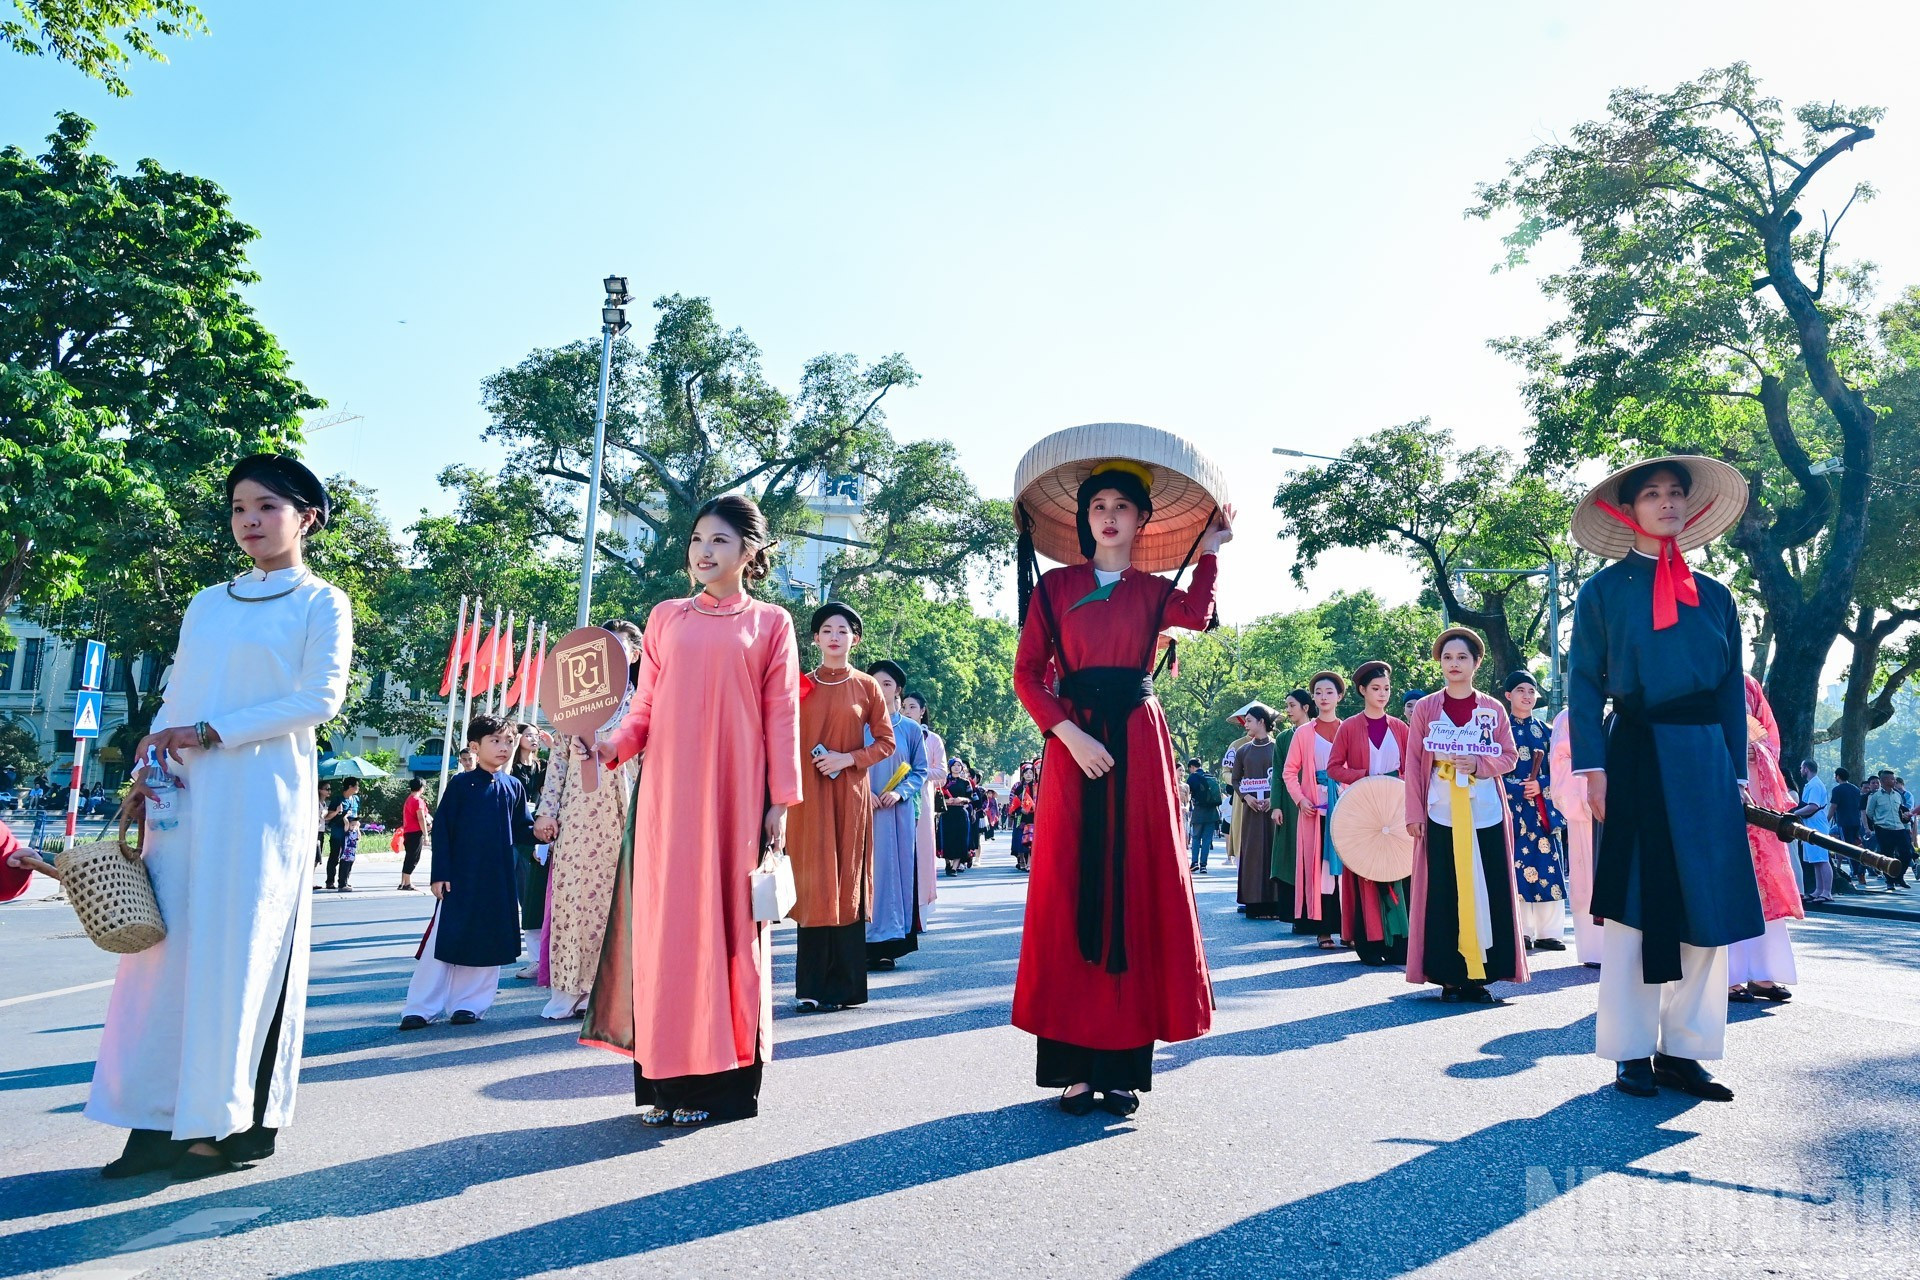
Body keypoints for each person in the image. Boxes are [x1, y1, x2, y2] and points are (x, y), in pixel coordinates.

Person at [92, 453, 351, 1180]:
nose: (250, 521)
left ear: (306, 518)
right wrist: (146, 777)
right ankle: (152, 1120)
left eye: (267, 507)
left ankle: (222, 1123)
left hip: (262, 800)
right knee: (163, 957)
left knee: (238, 958)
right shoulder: (206, 603)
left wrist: (213, 732)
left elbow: (319, 699)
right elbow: (178, 698)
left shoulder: (321, 603)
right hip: (187, 797)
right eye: (240, 507)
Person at [1012, 458, 1232, 1117]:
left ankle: (1123, 1069)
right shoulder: (1054, 587)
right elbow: (1027, 675)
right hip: (1075, 741)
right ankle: (1074, 1069)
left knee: (1138, 887)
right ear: (1085, 518)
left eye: (1122, 506)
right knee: (1070, 886)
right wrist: (1067, 737)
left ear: (1141, 520)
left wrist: (1212, 553)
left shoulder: (1155, 590)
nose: (1108, 514)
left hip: (1138, 737)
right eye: (1098, 504)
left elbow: (1195, 615)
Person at [583, 494, 802, 1127]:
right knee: (669, 933)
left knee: (727, 930)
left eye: (721, 541)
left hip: (737, 798)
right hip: (667, 802)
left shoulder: (771, 624)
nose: (704, 551)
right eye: (698, 539)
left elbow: (781, 715)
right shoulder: (665, 618)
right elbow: (644, 708)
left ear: (750, 552)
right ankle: (662, 1082)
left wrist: (780, 803)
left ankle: (722, 1088)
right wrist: (610, 744)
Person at [1567, 456, 1762, 1102]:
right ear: (1629, 511)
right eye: (1652, 494)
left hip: (1706, 759)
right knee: (1635, 907)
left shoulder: (1717, 596)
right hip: (1638, 757)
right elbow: (1582, 684)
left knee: (1704, 903)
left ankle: (1687, 1049)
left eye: (1676, 493)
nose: (1667, 502)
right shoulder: (1602, 592)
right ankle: (1630, 1051)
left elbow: (1732, 691)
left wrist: (1735, 771)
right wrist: (1591, 768)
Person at [1404, 629, 1527, 1003]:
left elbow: (1509, 755)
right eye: (1447, 658)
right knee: (1444, 890)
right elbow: (1412, 764)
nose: (1453, 664)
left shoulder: (1492, 708)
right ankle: (1450, 976)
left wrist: (1479, 763)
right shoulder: (1426, 708)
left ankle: (1483, 976)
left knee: (1488, 888)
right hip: (1440, 810)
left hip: (1484, 810)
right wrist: (1414, 813)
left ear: (1476, 663)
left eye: (1461, 657)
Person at [532, 620, 641, 1019]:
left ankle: (616, 989)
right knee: (576, 894)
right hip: (580, 811)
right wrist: (547, 811)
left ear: (634, 655)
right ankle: (572, 986)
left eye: (622, 646)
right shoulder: (572, 702)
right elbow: (557, 762)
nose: (614, 652)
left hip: (629, 806)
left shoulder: (643, 703)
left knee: (625, 895)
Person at [787, 603, 892, 1013]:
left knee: (846, 883)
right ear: (815, 638)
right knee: (812, 883)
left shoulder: (867, 686)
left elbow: (886, 742)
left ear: (855, 638)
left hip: (849, 795)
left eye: (843, 630)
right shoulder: (797, 685)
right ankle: (810, 988)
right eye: (826, 629)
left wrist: (847, 759)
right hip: (806, 796)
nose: (834, 636)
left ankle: (845, 987)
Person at [400, 715, 531, 1030]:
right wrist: (439, 873)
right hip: (459, 877)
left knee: (487, 941)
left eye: (509, 741)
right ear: (475, 746)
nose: (504, 747)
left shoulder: (514, 786)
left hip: (498, 878)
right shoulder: (460, 785)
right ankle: (420, 1007)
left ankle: (469, 1005)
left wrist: (548, 829)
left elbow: (523, 828)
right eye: (495, 741)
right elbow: (443, 830)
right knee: (442, 941)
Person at [1327, 661, 1412, 965]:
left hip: (1395, 807)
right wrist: (1364, 776)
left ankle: (1401, 940)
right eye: (1375, 688)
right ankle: (1371, 942)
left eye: (1387, 688)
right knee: (1367, 872)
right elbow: (1333, 767)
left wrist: (1397, 780)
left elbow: (1412, 768)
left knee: (1399, 869)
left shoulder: (1401, 727)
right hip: (1362, 808)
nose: (1382, 694)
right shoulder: (1349, 726)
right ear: (1362, 690)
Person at [1727, 676, 1803, 1003]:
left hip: (1757, 796)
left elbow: (1769, 735)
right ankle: (1727, 975)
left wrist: (1756, 749)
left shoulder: (1748, 684)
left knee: (1763, 886)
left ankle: (1762, 973)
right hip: (1718, 792)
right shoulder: (1699, 675)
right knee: (1728, 886)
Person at [865, 659, 929, 964]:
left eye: (887, 683)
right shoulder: (856, 724)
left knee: (894, 874)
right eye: (874, 682)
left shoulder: (911, 729)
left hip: (896, 813)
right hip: (862, 811)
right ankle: (859, 941)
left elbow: (920, 770)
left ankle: (888, 946)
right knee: (864, 873)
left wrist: (899, 792)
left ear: (897, 690)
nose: (880, 688)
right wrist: (863, 792)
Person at [1500, 671, 1568, 951]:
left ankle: (1549, 932)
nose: (1527, 696)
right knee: (1516, 865)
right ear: (1508, 695)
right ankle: (1522, 931)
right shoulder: (1498, 732)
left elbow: (1563, 770)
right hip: (1512, 809)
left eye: (1531, 690)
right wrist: (1516, 789)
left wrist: (1541, 784)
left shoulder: (1548, 731)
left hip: (1542, 811)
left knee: (1548, 866)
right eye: (1520, 690)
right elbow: (1489, 770)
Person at [1282, 671, 1347, 949]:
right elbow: (1289, 772)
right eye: (1318, 692)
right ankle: (1323, 929)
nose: (1324, 697)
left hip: (1345, 810)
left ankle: (1348, 926)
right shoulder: (1303, 734)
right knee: (1319, 870)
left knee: (1344, 870)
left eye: (1329, 692)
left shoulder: (1349, 729)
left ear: (1340, 696)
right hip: (1315, 810)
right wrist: (1300, 799)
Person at [1548, 710, 1605, 965]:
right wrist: (1590, 791)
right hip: (1584, 801)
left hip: (1620, 802)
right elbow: (1561, 759)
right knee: (1587, 877)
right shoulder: (1570, 716)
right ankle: (1594, 948)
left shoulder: (1622, 709)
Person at [1232, 705, 1286, 916]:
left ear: (1261, 722)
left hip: (1274, 810)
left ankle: (1276, 902)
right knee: (1253, 852)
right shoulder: (1242, 751)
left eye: (1249, 721)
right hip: (1252, 811)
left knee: (1274, 850)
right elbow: (1235, 779)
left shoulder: (1278, 748)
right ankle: (1253, 902)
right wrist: (1246, 797)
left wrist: (1274, 799)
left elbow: (1286, 775)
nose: (1246, 725)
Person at [510, 725, 551, 994]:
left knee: (535, 897)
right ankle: (535, 957)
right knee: (525, 896)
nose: (534, 738)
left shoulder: (543, 766)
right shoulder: (511, 770)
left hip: (540, 832)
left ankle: (540, 959)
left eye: (537, 735)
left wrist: (552, 745)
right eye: (529, 734)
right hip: (516, 833)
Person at [1265, 691, 1311, 923]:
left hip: (1316, 800)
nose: (1288, 710)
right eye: (1286, 706)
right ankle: (1294, 913)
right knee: (1289, 854)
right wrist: (1276, 806)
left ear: (1305, 707)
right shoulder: (1283, 739)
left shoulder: (1320, 730)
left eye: (1292, 705)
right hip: (1290, 807)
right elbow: (1278, 776)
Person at [900, 692, 947, 915]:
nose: (907, 711)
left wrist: (917, 771)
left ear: (922, 711)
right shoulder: (894, 734)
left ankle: (921, 907)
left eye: (911, 707)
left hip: (924, 802)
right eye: (904, 707)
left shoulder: (933, 739)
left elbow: (942, 772)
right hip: (897, 797)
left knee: (922, 850)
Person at [1867, 767, 1913, 888]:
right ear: (1885, 780)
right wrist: (1878, 823)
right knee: (1887, 855)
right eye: (1892, 779)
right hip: (1883, 829)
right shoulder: (1875, 796)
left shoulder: (1897, 795)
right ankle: (1890, 881)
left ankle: (1900, 877)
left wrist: (1905, 818)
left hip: (1898, 827)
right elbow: (1869, 812)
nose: (1894, 781)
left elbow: (1899, 811)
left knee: (1907, 854)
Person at [1794, 760, 1833, 903]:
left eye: (1801, 767)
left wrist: (1795, 813)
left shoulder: (1815, 785)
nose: (1800, 770)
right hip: (1811, 824)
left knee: (1822, 859)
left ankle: (1827, 891)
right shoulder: (1811, 784)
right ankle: (1819, 890)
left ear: (1806, 768)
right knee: (1816, 860)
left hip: (1817, 825)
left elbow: (1813, 806)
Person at [323, 777, 360, 891]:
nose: (358, 788)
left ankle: (343, 881)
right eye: (356, 786)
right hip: (338, 832)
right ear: (350, 786)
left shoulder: (356, 799)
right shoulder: (338, 799)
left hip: (350, 834)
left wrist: (357, 830)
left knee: (348, 858)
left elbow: (357, 816)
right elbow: (328, 817)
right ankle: (330, 881)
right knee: (335, 856)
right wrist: (337, 812)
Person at [1185, 758, 1221, 873]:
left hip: (1199, 812)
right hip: (1212, 813)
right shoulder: (1210, 776)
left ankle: (1194, 862)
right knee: (1206, 840)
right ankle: (1203, 865)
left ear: (1192, 767)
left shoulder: (1193, 777)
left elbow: (1188, 794)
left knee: (1196, 838)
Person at [940, 760, 974, 875]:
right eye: (954, 765)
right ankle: (948, 863)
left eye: (958, 765)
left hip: (960, 813)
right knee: (947, 839)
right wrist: (946, 801)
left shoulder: (966, 782)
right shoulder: (943, 781)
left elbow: (971, 798)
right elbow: (936, 797)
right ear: (949, 767)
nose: (956, 767)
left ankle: (955, 867)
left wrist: (962, 799)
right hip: (947, 813)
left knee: (960, 840)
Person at [399, 778, 431, 891]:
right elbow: (421, 818)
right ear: (421, 787)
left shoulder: (409, 799)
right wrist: (426, 835)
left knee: (409, 857)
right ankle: (407, 882)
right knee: (414, 858)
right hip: (415, 832)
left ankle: (403, 881)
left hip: (408, 831)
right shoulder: (418, 801)